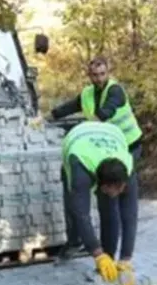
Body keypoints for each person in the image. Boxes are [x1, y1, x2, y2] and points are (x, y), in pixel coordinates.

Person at [49, 57, 143, 260]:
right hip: (101, 148)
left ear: (108, 72)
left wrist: (127, 258)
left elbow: (106, 111)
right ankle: (101, 252)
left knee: (116, 201)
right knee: (105, 200)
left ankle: (118, 255)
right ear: (89, 75)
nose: (99, 79)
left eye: (102, 74)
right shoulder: (88, 94)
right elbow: (71, 106)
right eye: (95, 75)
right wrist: (50, 116)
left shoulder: (115, 91)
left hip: (128, 147)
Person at [60, 120, 138, 285]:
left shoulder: (128, 168)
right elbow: (82, 214)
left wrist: (126, 258)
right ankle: (74, 242)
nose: (117, 194)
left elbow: (130, 215)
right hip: (78, 139)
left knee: (111, 209)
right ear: (100, 186)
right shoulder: (79, 167)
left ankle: (109, 263)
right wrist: (97, 254)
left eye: (120, 190)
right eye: (111, 191)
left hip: (110, 133)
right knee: (73, 206)